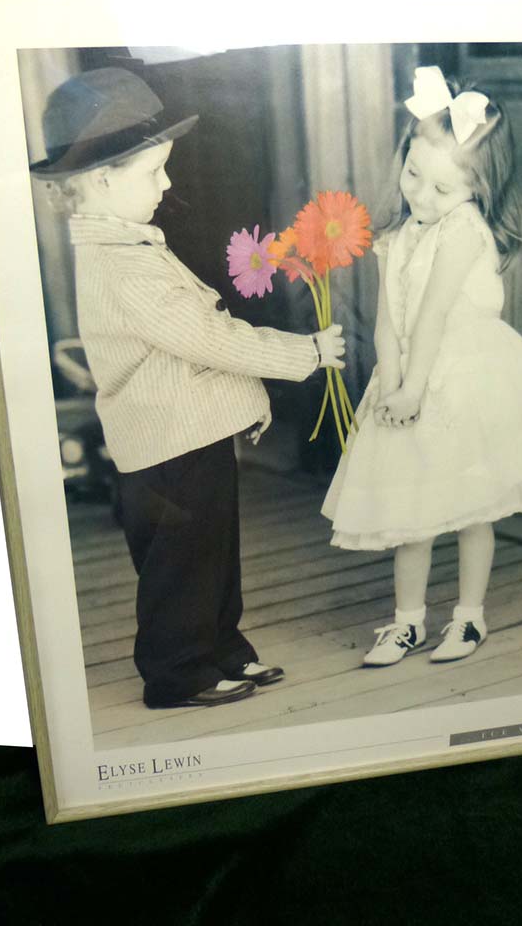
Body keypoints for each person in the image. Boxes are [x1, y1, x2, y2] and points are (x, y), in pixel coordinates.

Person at [30, 67, 345, 707]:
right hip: (165, 449)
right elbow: (206, 337)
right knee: (181, 564)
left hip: (186, 434)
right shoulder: (123, 264)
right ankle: (177, 672)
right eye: (154, 172)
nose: (168, 184)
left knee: (212, 552)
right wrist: (304, 353)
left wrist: (246, 399)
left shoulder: (130, 243)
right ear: (102, 180)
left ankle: (221, 648)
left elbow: (190, 353)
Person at [321, 65, 522, 667]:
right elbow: (390, 321)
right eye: (413, 175)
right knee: (413, 516)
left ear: (478, 188)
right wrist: (392, 387)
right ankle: (407, 623)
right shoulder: (398, 235)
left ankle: (469, 617)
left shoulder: (462, 231)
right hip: (408, 378)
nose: (421, 196)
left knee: (471, 509)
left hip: (462, 378)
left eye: (442, 188)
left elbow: (433, 315)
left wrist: (414, 389)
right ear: (404, 156)